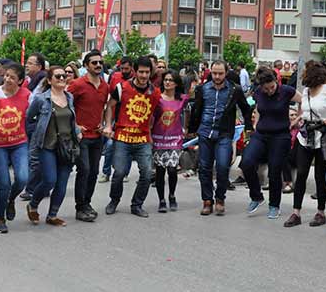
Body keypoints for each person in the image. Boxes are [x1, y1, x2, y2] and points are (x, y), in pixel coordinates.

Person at [188, 60, 254, 216]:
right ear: (211, 72)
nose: (217, 76)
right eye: (214, 73)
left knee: (223, 166)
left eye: (220, 73)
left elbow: (246, 108)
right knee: (204, 168)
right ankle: (207, 201)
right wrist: (192, 129)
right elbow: (196, 109)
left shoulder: (234, 90)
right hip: (205, 133)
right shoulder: (202, 89)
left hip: (224, 133)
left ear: (226, 73)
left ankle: (220, 198)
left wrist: (248, 126)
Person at [285, 61, 326, 228]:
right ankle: (296, 212)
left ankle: (321, 212)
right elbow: (304, 111)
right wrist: (297, 120)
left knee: (319, 175)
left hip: (323, 137)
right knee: (302, 173)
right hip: (305, 136)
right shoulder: (305, 92)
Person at [102, 56, 162, 217]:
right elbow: (110, 106)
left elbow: (158, 114)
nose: (144, 76)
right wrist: (108, 125)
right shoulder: (122, 88)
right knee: (120, 172)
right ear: (135, 71)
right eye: (141, 72)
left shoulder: (155, 92)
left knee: (147, 173)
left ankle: (137, 204)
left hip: (143, 139)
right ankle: (114, 200)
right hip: (122, 137)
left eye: (147, 72)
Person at [241, 67, 302, 219]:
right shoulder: (258, 93)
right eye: (266, 88)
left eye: (272, 87)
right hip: (261, 134)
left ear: (276, 81)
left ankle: (274, 205)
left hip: (280, 136)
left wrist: (296, 120)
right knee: (246, 162)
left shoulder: (286, 91)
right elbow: (259, 108)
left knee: (274, 170)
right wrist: (256, 122)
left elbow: (304, 100)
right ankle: (256, 196)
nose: (269, 91)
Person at [26, 66, 81, 227]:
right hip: (47, 146)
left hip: (67, 146)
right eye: (58, 76)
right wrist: (36, 134)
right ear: (49, 80)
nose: (62, 79)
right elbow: (29, 118)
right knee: (49, 180)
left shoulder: (69, 97)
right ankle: (33, 205)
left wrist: (77, 131)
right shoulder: (42, 99)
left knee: (62, 184)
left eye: (64, 76)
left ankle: (52, 215)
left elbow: (71, 118)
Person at [0, 63, 31, 234]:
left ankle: (10, 199)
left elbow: (33, 114)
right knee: (4, 183)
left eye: (12, 77)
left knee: (23, 178)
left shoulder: (27, 95)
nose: (7, 79)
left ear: (20, 81)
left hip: (19, 142)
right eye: (7, 75)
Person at [68, 50, 109, 222]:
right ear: (86, 66)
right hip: (81, 137)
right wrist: (75, 126)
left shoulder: (105, 86)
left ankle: (87, 203)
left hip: (97, 136)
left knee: (94, 171)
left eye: (100, 62)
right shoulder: (77, 84)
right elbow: (65, 105)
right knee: (84, 170)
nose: (98, 65)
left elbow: (106, 107)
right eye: (94, 62)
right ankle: (80, 207)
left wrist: (105, 124)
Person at [151, 70, 190, 213]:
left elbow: (188, 112)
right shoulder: (157, 98)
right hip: (159, 138)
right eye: (165, 80)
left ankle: (172, 195)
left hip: (175, 139)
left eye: (170, 80)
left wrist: (186, 128)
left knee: (172, 169)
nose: (167, 82)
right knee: (160, 171)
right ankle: (161, 200)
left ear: (176, 83)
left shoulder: (182, 99)